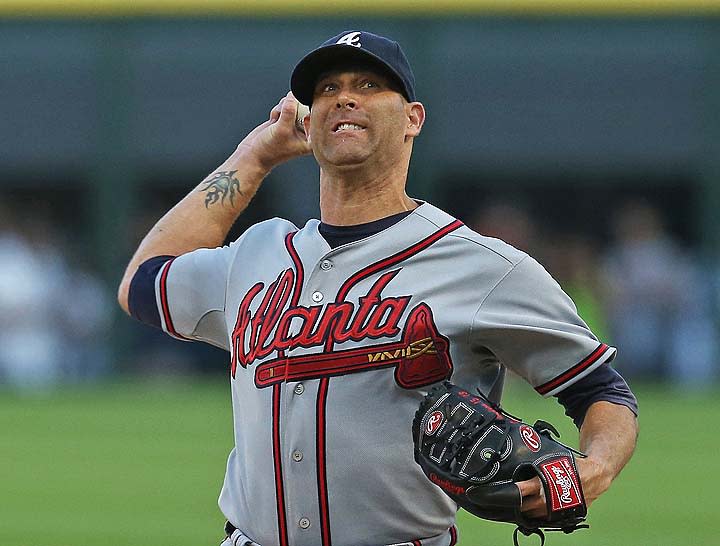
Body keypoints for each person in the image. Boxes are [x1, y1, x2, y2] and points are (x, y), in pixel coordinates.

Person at [118, 31, 638, 546]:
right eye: (326, 90)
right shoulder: (256, 255)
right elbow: (142, 284)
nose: (344, 97)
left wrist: (595, 469)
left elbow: (600, 390)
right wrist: (253, 157)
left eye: (368, 84)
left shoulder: (482, 266)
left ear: (413, 118)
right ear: (309, 118)